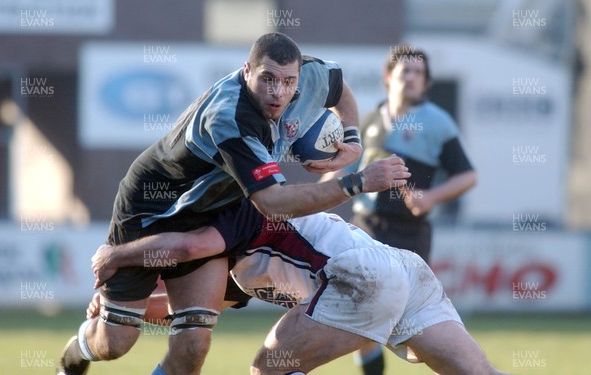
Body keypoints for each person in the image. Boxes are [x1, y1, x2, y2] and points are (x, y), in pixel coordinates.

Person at [58, 32, 411, 375]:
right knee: (116, 342)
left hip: (213, 209)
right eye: (267, 79)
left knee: (193, 346)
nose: (278, 92)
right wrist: (358, 182)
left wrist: (351, 137)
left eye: (288, 82)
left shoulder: (310, 75)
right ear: (247, 71)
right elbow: (272, 202)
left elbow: (339, 86)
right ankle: (73, 357)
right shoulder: (231, 118)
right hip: (151, 210)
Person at [88, 198, 506, 375]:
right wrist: (120, 313)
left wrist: (117, 257)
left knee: (266, 369)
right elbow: (192, 312)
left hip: (361, 277)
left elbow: (190, 246)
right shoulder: (236, 270)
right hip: (402, 270)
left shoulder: (230, 220)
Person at [327, 45, 477, 375]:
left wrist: (432, 197)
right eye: (404, 71)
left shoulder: (437, 123)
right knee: (362, 318)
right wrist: (320, 189)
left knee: (417, 330)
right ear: (388, 77)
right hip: (365, 227)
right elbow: (342, 168)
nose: (410, 78)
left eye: (418, 73)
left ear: (426, 82)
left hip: (411, 234)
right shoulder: (367, 120)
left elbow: (467, 175)